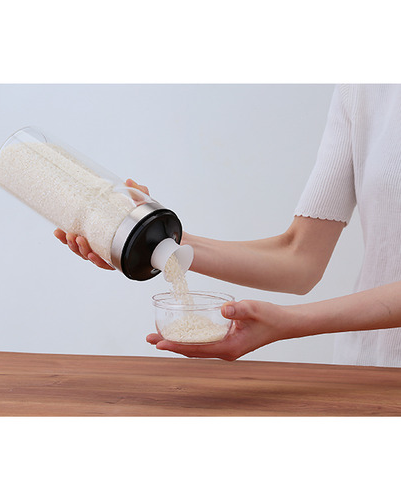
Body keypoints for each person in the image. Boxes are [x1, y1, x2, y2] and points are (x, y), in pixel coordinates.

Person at [54, 84, 401, 367]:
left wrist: (289, 322)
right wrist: (150, 238)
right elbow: (300, 258)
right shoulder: (362, 87)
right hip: (364, 368)